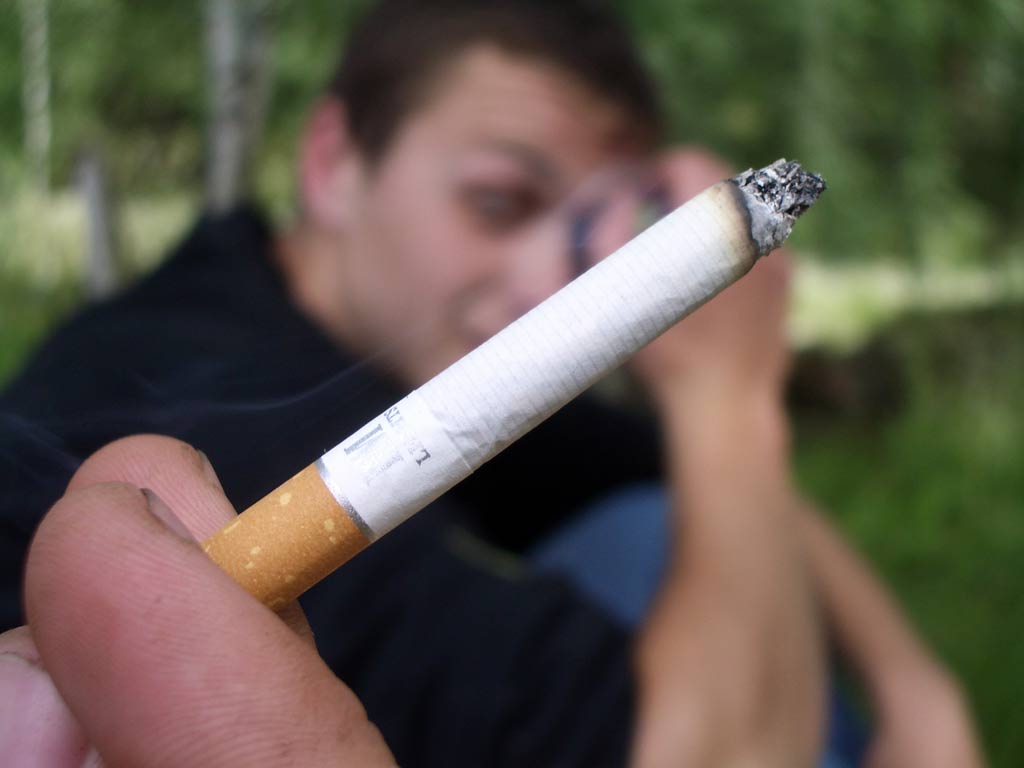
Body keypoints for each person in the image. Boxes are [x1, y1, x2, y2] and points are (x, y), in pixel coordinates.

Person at [0, 1, 982, 765]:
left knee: (657, 520)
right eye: (498, 201)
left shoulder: (405, 343)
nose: (546, 285)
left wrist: (916, 688)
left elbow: (693, 482)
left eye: (586, 237)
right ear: (334, 162)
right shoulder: (218, 437)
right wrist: (728, 397)